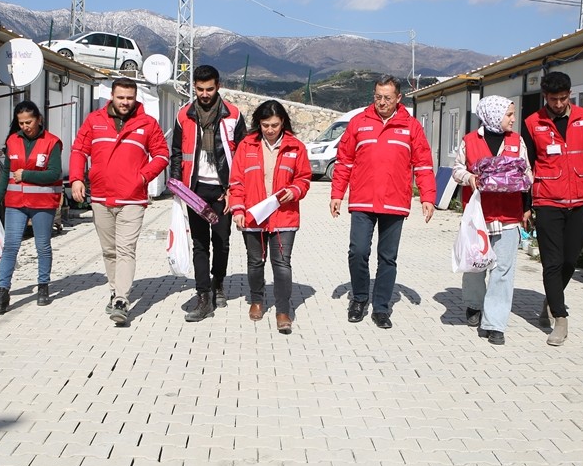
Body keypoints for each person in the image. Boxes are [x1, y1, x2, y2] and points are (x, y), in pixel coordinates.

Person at [329, 76, 437, 329]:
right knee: (358, 252)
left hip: (395, 203)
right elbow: (344, 161)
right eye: (378, 97)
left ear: (399, 98)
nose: (382, 102)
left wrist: (428, 197)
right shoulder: (359, 123)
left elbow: (422, 164)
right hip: (363, 201)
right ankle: (359, 299)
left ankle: (381, 308)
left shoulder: (411, 127)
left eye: (387, 98)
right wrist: (337, 194)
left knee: (387, 258)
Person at [69, 78, 170, 326]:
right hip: (101, 197)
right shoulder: (95, 120)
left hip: (132, 198)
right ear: (111, 96)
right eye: (120, 97)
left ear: (136, 98)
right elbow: (79, 150)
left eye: (129, 98)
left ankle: (122, 300)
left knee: (126, 249)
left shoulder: (147, 123)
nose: (125, 102)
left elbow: (162, 154)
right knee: (109, 250)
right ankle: (115, 290)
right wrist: (76, 179)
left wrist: (143, 177)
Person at [521, 71, 583, 346]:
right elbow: (526, 169)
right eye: (553, 99)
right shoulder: (533, 124)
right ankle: (560, 317)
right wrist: (525, 207)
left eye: (563, 98)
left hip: (581, 199)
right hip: (547, 199)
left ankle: (552, 296)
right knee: (552, 260)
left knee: (571, 259)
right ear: (544, 97)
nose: (558, 104)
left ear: (569, 94)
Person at [452, 96, 533, 346]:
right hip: (478, 217)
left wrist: (524, 197)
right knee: (476, 267)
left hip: (508, 217)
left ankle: (494, 323)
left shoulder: (516, 141)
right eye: (508, 114)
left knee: (503, 271)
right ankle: (475, 304)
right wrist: (471, 178)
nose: (513, 118)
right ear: (493, 115)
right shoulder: (469, 141)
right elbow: (456, 170)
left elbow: (528, 172)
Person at [170, 64, 247, 322]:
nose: (204, 94)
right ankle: (203, 297)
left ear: (218, 86)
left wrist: (234, 191)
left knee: (222, 241)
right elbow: (177, 153)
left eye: (209, 89)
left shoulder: (233, 115)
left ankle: (218, 284)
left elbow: (243, 156)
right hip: (195, 189)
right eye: (200, 89)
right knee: (200, 244)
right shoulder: (184, 115)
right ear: (194, 86)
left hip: (223, 190)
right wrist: (176, 185)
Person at [227, 100, 311, 334]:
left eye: (275, 124)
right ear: (259, 124)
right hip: (253, 216)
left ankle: (283, 310)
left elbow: (304, 179)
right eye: (265, 125)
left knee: (282, 264)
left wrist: (294, 191)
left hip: (284, 216)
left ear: (283, 122)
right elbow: (236, 182)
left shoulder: (296, 147)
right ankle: (256, 300)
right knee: (255, 262)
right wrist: (238, 209)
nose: (270, 129)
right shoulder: (246, 145)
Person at [0, 101, 63, 315]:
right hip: (15, 204)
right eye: (21, 123)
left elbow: (54, 173)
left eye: (29, 121)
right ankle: (2, 291)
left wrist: (26, 175)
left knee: (42, 246)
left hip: (42, 205)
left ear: (38, 119)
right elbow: (7, 175)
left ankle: (43, 287)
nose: (25, 126)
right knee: (10, 247)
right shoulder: (12, 141)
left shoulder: (52, 142)